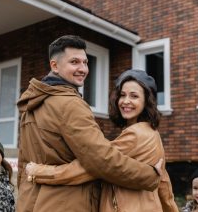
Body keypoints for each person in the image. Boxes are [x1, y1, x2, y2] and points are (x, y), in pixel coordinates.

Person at [16, 35, 161, 212]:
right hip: (66, 204)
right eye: (74, 62)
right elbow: (101, 160)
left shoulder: (32, 103)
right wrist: (150, 175)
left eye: (85, 62)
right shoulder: (70, 104)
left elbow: (24, 166)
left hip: (31, 201)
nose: (83, 69)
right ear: (54, 66)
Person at [24, 69, 180, 212]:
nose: (125, 101)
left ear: (147, 101)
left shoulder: (136, 135)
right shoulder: (152, 133)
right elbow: (164, 183)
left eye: (134, 96)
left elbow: (90, 167)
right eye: (122, 95)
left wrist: (40, 172)